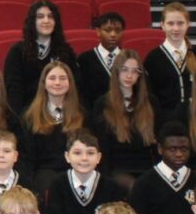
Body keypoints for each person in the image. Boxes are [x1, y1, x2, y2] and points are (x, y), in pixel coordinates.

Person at [90, 49, 159, 189]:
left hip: (145, 166)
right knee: (136, 187)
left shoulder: (151, 102)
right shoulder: (102, 104)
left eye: (135, 71)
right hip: (117, 168)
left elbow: (156, 144)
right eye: (124, 70)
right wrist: (105, 177)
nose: (129, 75)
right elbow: (103, 146)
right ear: (116, 72)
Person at [4, 0, 78, 117]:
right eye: (40, 17)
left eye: (50, 17)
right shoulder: (17, 51)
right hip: (28, 115)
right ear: (32, 21)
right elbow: (14, 91)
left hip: (62, 113)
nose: (46, 21)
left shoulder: (66, 51)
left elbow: (75, 85)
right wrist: (17, 120)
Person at [23, 61, 86, 194]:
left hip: (77, 170)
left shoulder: (82, 115)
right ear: (43, 83)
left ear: (70, 83)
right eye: (52, 78)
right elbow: (28, 157)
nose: (57, 83)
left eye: (62, 78)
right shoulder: (30, 116)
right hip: (43, 173)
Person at [143, 2, 196, 115]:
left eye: (180, 23)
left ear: (188, 24)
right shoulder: (152, 58)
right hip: (165, 120)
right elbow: (149, 96)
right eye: (170, 23)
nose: (176, 28)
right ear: (162, 25)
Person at [76, 12, 125, 111]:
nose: (113, 34)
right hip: (93, 113)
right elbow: (80, 93)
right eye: (108, 30)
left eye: (117, 30)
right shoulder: (84, 59)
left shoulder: (129, 59)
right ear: (98, 32)